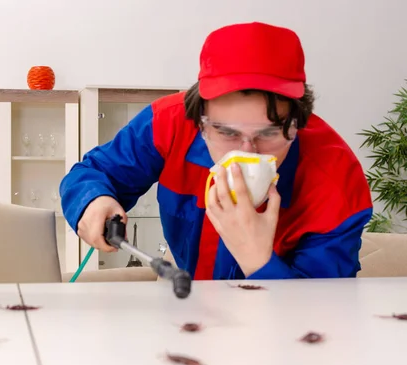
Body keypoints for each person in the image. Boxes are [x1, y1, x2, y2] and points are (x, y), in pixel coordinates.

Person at [59, 21, 373, 280]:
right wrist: (93, 201)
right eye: (226, 132)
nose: (247, 153)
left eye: (269, 133)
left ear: (297, 123)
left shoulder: (336, 181)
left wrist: (258, 259)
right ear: (198, 122)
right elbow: (94, 173)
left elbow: (322, 315)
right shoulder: (167, 123)